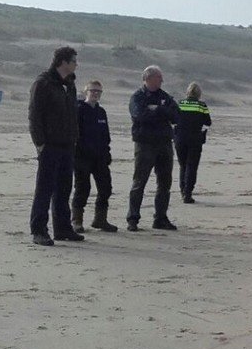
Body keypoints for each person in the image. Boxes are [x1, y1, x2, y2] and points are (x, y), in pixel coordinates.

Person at [28, 46, 83, 245]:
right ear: (63, 62)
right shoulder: (43, 83)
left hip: (68, 144)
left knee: (64, 188)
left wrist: (74, 138)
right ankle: (39, 230)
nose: (76, 64)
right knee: (44, 189)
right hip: (49, 144)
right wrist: (40, 143)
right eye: (74, 61)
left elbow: (72, 115)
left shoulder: (70, 84)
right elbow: (34, 115)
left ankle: (62, 228)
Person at [126, 65, 179, 231]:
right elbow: (139, 115)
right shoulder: (137, 97)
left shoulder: (165, 97)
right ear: (148, 78)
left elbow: (177, 115)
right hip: (145, 144)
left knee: (165, 183)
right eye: (158, 77)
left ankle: (160, 218)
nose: (161, 80)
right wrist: (161, 113)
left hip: (164, 144)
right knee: (139, 182)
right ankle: (132, 219)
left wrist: (158, 110)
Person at [71, 80, 117, 232]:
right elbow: (74, 134)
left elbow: (106, 136)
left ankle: (100, 219)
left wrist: (107, 153)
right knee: (82, 188)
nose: (96, 94)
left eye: (98, 91)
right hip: (82, 157)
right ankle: (76, 220)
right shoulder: (79, 109)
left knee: (106, 188)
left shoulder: (101, 112)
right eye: (93, 91)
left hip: (100, 158)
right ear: (86, 92)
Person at [174, 82, 212, 203]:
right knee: (192, 166)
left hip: (179, 138)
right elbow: (208, 122)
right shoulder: (202, 106)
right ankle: (188, 193)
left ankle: (182, 191)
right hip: (195, 139)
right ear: (199, 93)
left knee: (183, 165)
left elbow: (173, 118)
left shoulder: (180, 103)